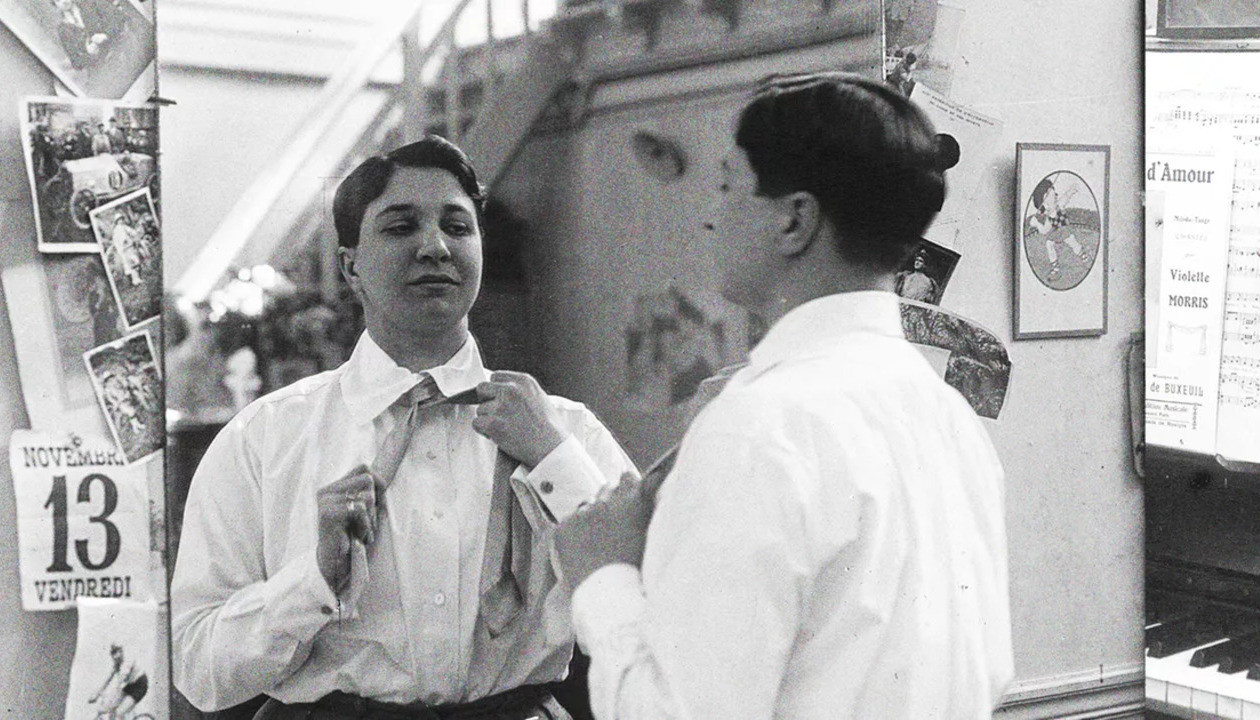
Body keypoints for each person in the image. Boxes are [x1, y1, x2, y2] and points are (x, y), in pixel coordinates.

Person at [555, 73, 1013, 719]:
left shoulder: (759, 425)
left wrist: (602, 575)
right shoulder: (951, 417)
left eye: (726, 187)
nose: (711, 216)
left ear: (795, 219)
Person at [171, 136, 635, 719]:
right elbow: (197, 667)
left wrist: (556, 464)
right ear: (351, 268)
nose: (435, 247)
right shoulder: (264, 440)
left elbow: (658, 613)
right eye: (400, 227)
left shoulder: (566, 432)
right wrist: (313, 582)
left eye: (457, 227)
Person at [1028, 174, 1089, 281]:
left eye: (1054, 192)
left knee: (1072, 242)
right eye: (1051, 193)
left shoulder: (1059, 206)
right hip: (1054, 235)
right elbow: (1044, 230)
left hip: (1064, 231)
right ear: (1044, 201)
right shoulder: (1047, 216)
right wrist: (1037, 224)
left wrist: (1072, 190)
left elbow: (1066, 196)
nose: (1056, 195)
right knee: (1049, 244)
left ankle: (1084, 256)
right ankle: (1056, 269)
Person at [87, 643, 148, 719]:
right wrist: (97, 694)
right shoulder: (117, 662)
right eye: (113, 653)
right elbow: (108, 679)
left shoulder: (127, 663)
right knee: (107, 709)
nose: (115, 657)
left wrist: (109, 697)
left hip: (139, 686)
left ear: (121, 652)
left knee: (118, 714)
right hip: (129, 686)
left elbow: (119, 684)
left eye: (117, 653)